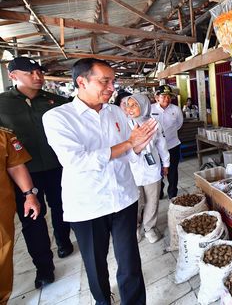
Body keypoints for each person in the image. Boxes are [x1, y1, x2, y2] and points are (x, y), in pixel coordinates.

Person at [43, 58, 157, 304]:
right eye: (105, 81)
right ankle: (103, 301)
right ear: (81, 81)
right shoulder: (58, 118)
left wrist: (137, 147)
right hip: (89, 205)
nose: (111, 88)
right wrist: (128, 143)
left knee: (129, 261)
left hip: (124, 198)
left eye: (113, 82)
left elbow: (128, 152)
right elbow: (76, 161)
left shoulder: (115, 112)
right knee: (95, 265)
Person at [0, 56, 73, 289]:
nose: (37, 76)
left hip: (57, 167)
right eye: (30, 72)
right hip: (22, 173)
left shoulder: (57, 101)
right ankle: (44, 267)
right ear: (13, 76)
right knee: (33, 219)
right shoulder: (2, 104)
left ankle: (63, 241)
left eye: (39, 72)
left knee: (62, 206)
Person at [0, 126, 41, 303]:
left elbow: (16, 166)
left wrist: (29, 195)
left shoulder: (3, 136)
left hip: (1, 210)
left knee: (2, 254)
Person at [126, 94, 170, 243]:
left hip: (152, 169)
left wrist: (166, 164)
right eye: (128, 105)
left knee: (152, 201)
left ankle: (149, 228)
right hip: (132, 170)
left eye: (134, 105)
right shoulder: (125, 125)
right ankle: (135, 228)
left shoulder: (154, 123)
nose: (129, 109)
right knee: (136, 202)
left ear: (144, 105)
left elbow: (162, 146)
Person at [151, 85, 184, 199]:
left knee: (173, 171)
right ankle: (159, 193)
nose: (167, 98)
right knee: (157, 171)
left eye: (169, 96)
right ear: (157, 98)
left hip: (173, 145)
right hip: (155, 147)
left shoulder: (176, 109)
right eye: (163, 96)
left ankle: (172, 194)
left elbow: (179, 125)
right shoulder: (150, 109)